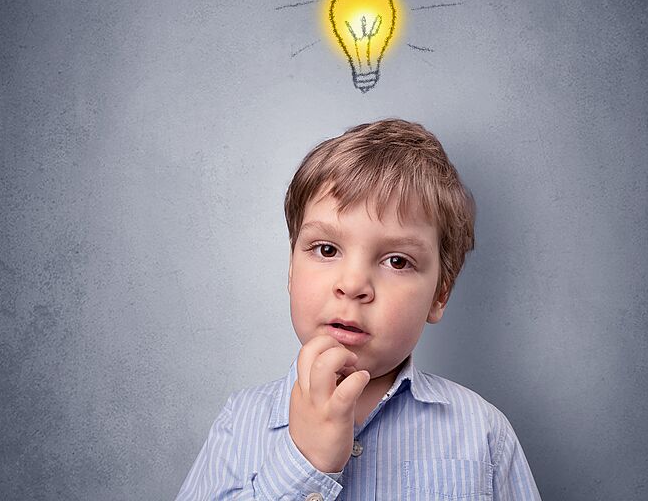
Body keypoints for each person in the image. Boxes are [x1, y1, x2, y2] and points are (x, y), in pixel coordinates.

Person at [176, 119, 541, 500]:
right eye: (327, 250)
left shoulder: (482, 434)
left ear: (439, 295)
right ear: (290, 271)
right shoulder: (241, 423)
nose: (352, 285)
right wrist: (306, 462)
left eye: (397, 261)